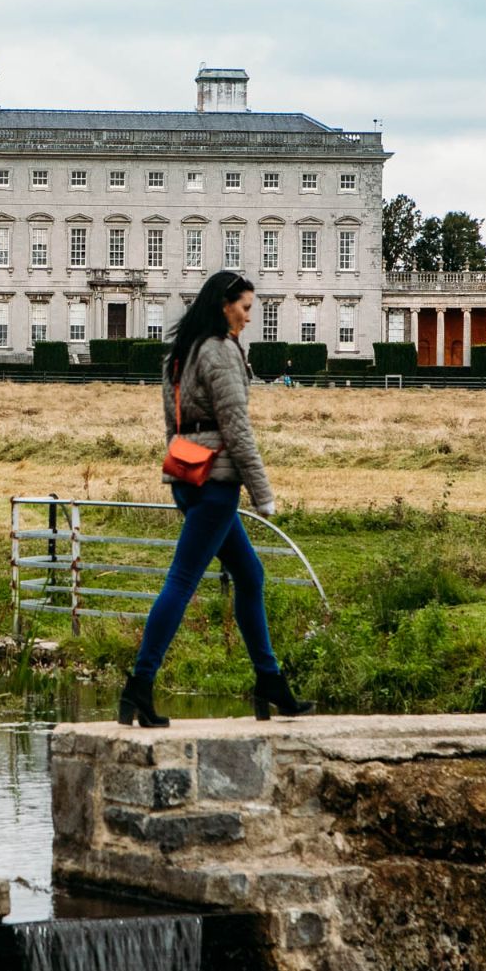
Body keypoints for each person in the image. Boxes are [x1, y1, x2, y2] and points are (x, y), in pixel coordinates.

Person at [119, 270, 306, 728]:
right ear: (224, 305)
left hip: (186, 473)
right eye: (244, 308)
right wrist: (263, 493)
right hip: (217, 481)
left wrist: (181, 462)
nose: (248, 317)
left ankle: (269, 680)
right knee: (182, 581)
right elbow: (237, 429)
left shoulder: (179, 352)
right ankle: (139, 687)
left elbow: (172, 422)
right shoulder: (219, 351)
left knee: (249, 573)